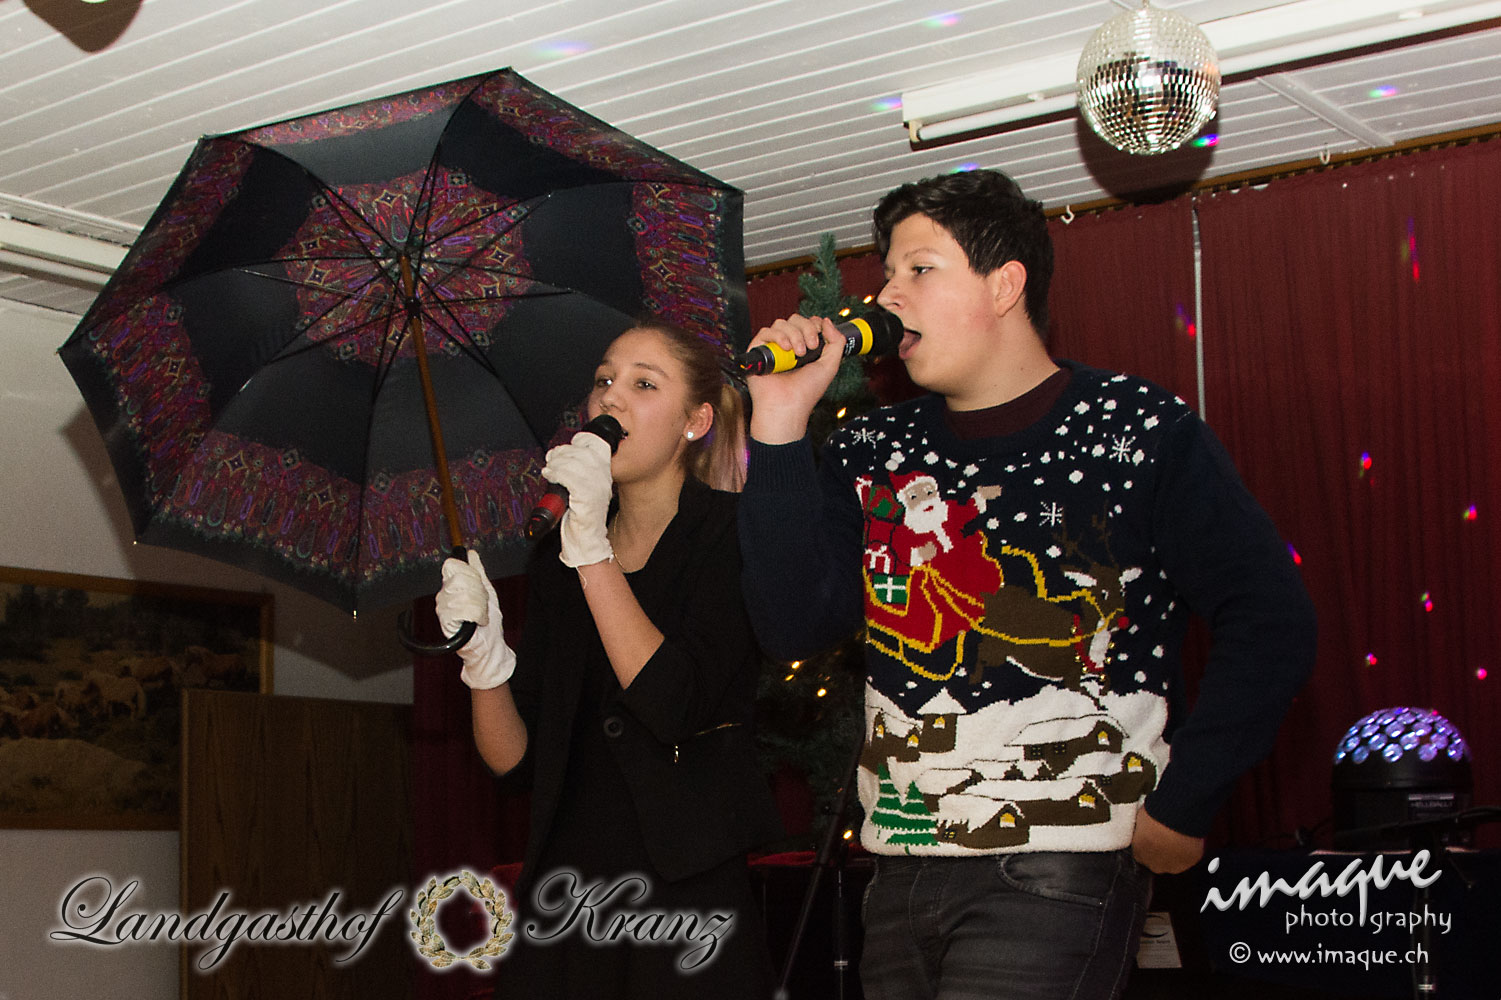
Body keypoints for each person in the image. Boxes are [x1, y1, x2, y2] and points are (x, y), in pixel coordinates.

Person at [737, 169, 1316, 1000]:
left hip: (1060, 866)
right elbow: (792, 626)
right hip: (898, 872)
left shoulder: (1135, 428)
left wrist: (1185, 802)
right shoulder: (869, 448)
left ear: (1004, 284)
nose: (887, 296)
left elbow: (1270, 619)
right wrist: (779, 425)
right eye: (886, 274)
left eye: (918, 269)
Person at [436, 320, 782, 999]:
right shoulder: (555, 558)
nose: (611, 398)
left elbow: (671, 702)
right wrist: (484, 664)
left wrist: (592, 551)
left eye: (643, 384)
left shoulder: (730, 533)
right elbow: (515, 763)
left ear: (695, 422)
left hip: (686, 898)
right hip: (568, 897)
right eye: (603, 380)